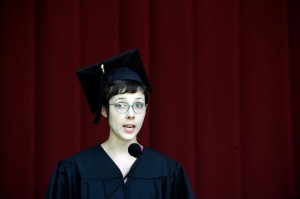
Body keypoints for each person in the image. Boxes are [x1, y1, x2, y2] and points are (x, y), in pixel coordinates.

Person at [45, 49, 195, 199]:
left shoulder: (167, 171)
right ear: (104, 110)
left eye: (138, 105)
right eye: (121, 105)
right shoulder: (75, 170)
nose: (131, 114)